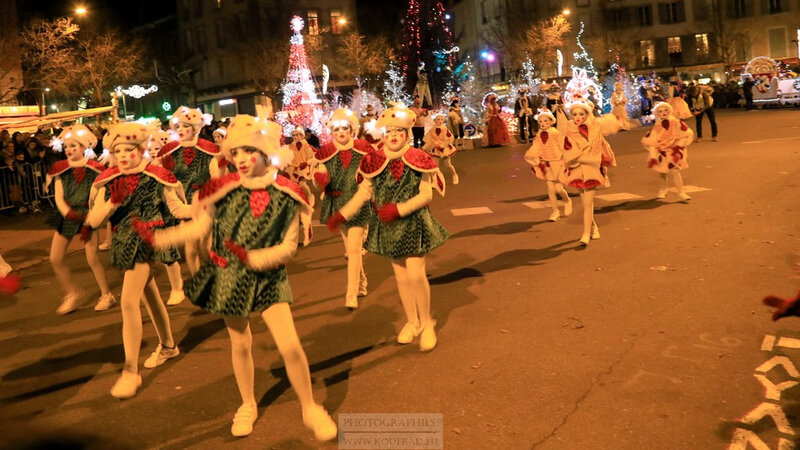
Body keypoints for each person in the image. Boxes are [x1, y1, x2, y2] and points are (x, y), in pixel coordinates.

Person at [144, 113, 337, 440]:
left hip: (269, 276)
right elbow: (200, 227)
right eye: (236, 153)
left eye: (250, 152)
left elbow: (289, 247)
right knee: (240, 344)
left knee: (290, 346)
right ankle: (247, 403)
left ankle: (310, 407)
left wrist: (253, 258)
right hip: (229, 275)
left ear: (265, 153)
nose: (242, 160)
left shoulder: (287, 192)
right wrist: (159, 238)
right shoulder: (220, 189)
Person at [327, 103, 448, 351]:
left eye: (399, 132)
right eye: (389, 132)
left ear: (406, 134)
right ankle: (411, 321)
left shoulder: (418, 158)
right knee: (401, 278)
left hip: (412, 223)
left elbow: (426, 195)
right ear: (383, 135)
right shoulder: (374, 161)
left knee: (415, 275)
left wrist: (400, 209)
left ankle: (427, 323)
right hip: (389, 227)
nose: (393, 136)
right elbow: (364, 192)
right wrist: (343, 213)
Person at [84, 122, 191, 399]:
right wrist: (112, 203)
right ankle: (168, 345)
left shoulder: (157, 175)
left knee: (129, 300)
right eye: (118, 151)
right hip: (123, 243)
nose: (123, 155)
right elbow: (94, 220)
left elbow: (177, 207)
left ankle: (130, 371)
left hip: (147, 240)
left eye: (129, 150)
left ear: (141, 149)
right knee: (149, 294)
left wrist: (206, 207)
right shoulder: (107, 180)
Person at [45, 124, 115, 314]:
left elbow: (101, 193)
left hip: (87, 216)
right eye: (67, 146)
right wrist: (67, 213)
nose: (69, 150)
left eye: (73, 146)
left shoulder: (95, 169)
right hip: (67, 216)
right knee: (55, 258)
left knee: (92, 258)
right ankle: (73, 292)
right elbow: (58, 196)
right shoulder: (59, 169)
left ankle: (106, 294)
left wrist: (89, 218)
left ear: (84, 147)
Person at [313, 108, 372, 309]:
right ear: (331, 131)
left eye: (345, 128)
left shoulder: (364, 148)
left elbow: (375, 171)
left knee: (354, 249)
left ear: (352, 129)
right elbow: (318, 180)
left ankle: (351, 294)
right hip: (337, 205)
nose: (341, 132)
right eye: (336, 129)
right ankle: (362, 283)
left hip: (359, 203)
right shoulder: (325, 153)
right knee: (351, 248)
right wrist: (319, 181)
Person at [156, 106, 223, 274]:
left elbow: (216, 175)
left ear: (195, 129)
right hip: (183, 204)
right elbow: (161, 176)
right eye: (178, 127)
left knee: (206, 245)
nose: (181, 130)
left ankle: (211, 276)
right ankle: (198, 279)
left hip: (206, 203)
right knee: (191, 247)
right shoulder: (169, 151)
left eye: (185, 126)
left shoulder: (208, 149)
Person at [562, 101, 617, 245]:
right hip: (578, 169)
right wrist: (583, 158)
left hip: (593, 169)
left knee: (588, 203)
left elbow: (603, 145)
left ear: (587, 114)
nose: (577, 117)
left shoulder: (595, 128)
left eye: (581, 114)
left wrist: (603, 162)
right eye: (574, 114)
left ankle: (585, 234)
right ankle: (593, 227)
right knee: (585, 202)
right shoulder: (569, 130)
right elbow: (568, 151)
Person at [524, 110, 573, 222]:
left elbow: (562, 145)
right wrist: (535, 158)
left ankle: (567, 200)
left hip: (557, 162)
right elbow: (536, 147)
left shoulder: (555, 132)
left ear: (551, 122)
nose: (543, 123)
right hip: (546, 163)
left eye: (545, 121)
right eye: (540, 121)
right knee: (550, 189)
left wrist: (565, 158)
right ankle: (555, 211)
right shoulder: (539, 134)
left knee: (559, 188)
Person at [641, 102, 694, 202]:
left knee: (675, 170)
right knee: (662, 171)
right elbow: (653, 138)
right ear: (657, 113)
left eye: (665, 110)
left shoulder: (675, 121)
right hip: (662, 151)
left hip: (673, 150)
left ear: (669, 110)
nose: (663, 113)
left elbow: (685, 133)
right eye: (660, 111)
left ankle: (681, 192)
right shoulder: (658, 124)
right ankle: (662, 189)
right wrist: (653, 153)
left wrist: (679, 146)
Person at [284, 127, 317, 246]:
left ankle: (309, 197)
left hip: (303, 168)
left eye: (298, 135)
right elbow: (286, 156)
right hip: (294, 168)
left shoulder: (306, 146)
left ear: (302, 136)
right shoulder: (290, 147)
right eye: (294, 135)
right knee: (295, 186)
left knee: (302, 184)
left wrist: (306, 163)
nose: (295, 137)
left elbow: (312, 157)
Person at [422, 113, 459, 185]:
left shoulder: (445, 129)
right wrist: (422, 148)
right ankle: (435, 180)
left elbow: (450, 139)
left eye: (441, 119)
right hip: (435, 149)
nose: (440, 121)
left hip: (444, 149)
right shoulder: (431, 130)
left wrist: (443, 145)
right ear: (434, 120)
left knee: (448, 164)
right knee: (435, 166)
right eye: (438, 119)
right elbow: (428, 142)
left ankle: (454, 175)